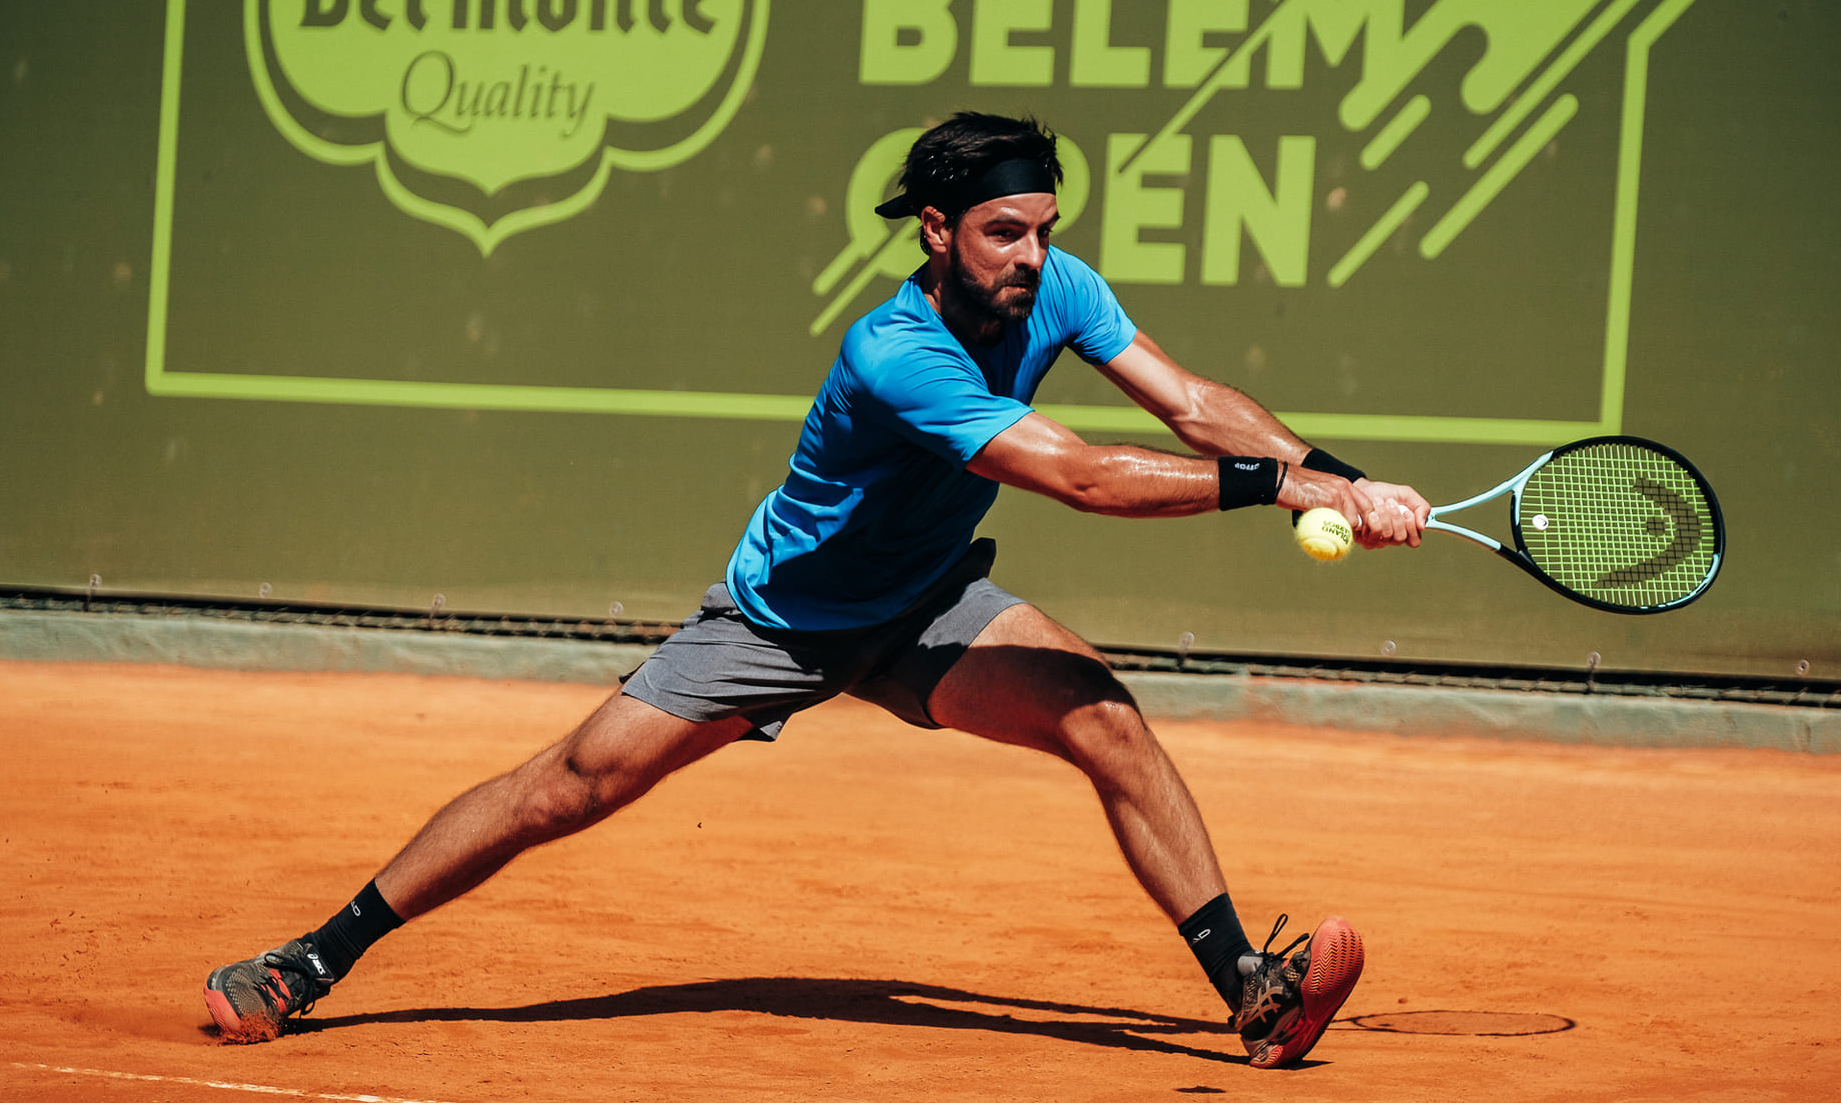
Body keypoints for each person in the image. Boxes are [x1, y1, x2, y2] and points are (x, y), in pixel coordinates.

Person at [203, 111, 1431, 1068]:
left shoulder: (1057, 288)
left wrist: (1344, 478)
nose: (1034, 255)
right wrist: (1285, 492)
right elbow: (1077, 474)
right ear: (937, 230)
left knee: (1101, 713)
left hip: (927, 605)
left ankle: (1251, 994)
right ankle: (314, 956)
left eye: (1045, 228)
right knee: (567, 787)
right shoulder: (895, 350)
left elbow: (1193, 405)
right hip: (783, 620)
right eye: (1007, 230)